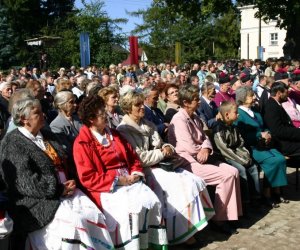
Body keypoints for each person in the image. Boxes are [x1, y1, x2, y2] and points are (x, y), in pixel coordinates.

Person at [0, 97, 113, 249]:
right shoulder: (13, 143)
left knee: (94, 214)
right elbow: (25, 183)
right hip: (36, 202)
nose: (43, 115)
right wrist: (59, 189)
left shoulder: (46, 134)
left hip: (66, 191)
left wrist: (72, 180)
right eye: (37, 113)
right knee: (75, 222)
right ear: (24, 119)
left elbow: (66, 161)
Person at [117, 90, 214, 247]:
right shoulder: (124, 129)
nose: (142, 107)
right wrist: (161, 153)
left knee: (193, 180)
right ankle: (178, 233)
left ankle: (188, 228)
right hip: (146, 170)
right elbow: (139, 158)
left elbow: (162, 143)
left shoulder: (147, 124)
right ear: (128, 108)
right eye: (137, 105)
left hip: (161, 164)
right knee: (180, 188)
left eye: (142, 104)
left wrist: (167, 147)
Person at [73, 95, 168, 250]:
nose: (106, 115)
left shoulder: (114, 134)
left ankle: (150, 244)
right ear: (91, 119)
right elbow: (87, 177)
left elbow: (133, 157)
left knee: (151, 200)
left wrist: (136, 173)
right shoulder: (82, 143)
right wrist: (118, 180)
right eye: (102, 113)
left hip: (130, 179)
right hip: (107, 187)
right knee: (130, 211)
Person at [168, 85, 242, 235]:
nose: (199, 102)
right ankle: (219, 219)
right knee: (226, 176)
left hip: (203, 157)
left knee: (233, 171)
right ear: (186, 102)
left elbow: (205, 138)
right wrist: (202, 149)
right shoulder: (179, 119)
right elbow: (188, 147)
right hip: (188, 162)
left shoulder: (195, 117)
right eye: (196, 99)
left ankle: (231, 214)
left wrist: (206, 148)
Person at [235, 86, 288, 207]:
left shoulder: (255, 111)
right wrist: (260, 135)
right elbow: (242, 135)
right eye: (251, 96)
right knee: (274, 161)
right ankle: (267, 194)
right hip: (252, 147)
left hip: (264, 144)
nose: (254, 97)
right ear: (243, 98)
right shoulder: (239, 114)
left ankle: (276, 191)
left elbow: (264, 125)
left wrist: (268, 133)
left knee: (281, 159)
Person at [213, 101, 260, 205]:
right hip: (225, 157)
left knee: (253, 166)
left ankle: (256, 196)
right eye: (235, 112)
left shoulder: (234, 127)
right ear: (227, 114)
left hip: (236, 154)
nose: (238, 114)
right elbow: (224, 149)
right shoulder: (219, 129)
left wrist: (246, 156)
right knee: (241, 169)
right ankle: (244, 201)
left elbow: (240, 143)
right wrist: (242, 160)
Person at [264, 82, 300, 156]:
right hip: (281, 144)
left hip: (286, 139)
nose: (288, 95)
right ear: (279, 93)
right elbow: (278, 130)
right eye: (286, 93)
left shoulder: (276, 104)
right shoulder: (271, 106)